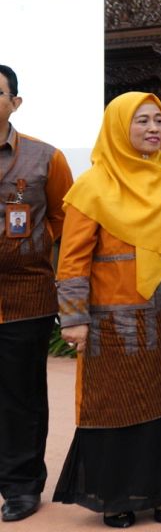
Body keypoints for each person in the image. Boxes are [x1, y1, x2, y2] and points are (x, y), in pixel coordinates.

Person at [52, 93, 161, 528]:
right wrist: (75, 318)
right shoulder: (93, 186)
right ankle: (115, 496)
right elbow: (73, 261)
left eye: (158, 119)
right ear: (121, 127)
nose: (153, 128)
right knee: (116, 407)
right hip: (113, 324)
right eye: (141, 121)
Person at [0, 65, 73, 524]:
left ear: (15, 102)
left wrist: (38, 248)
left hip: (24, 294)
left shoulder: (46, 157)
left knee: (19, 396)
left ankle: (21, 484)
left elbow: (69, 221)